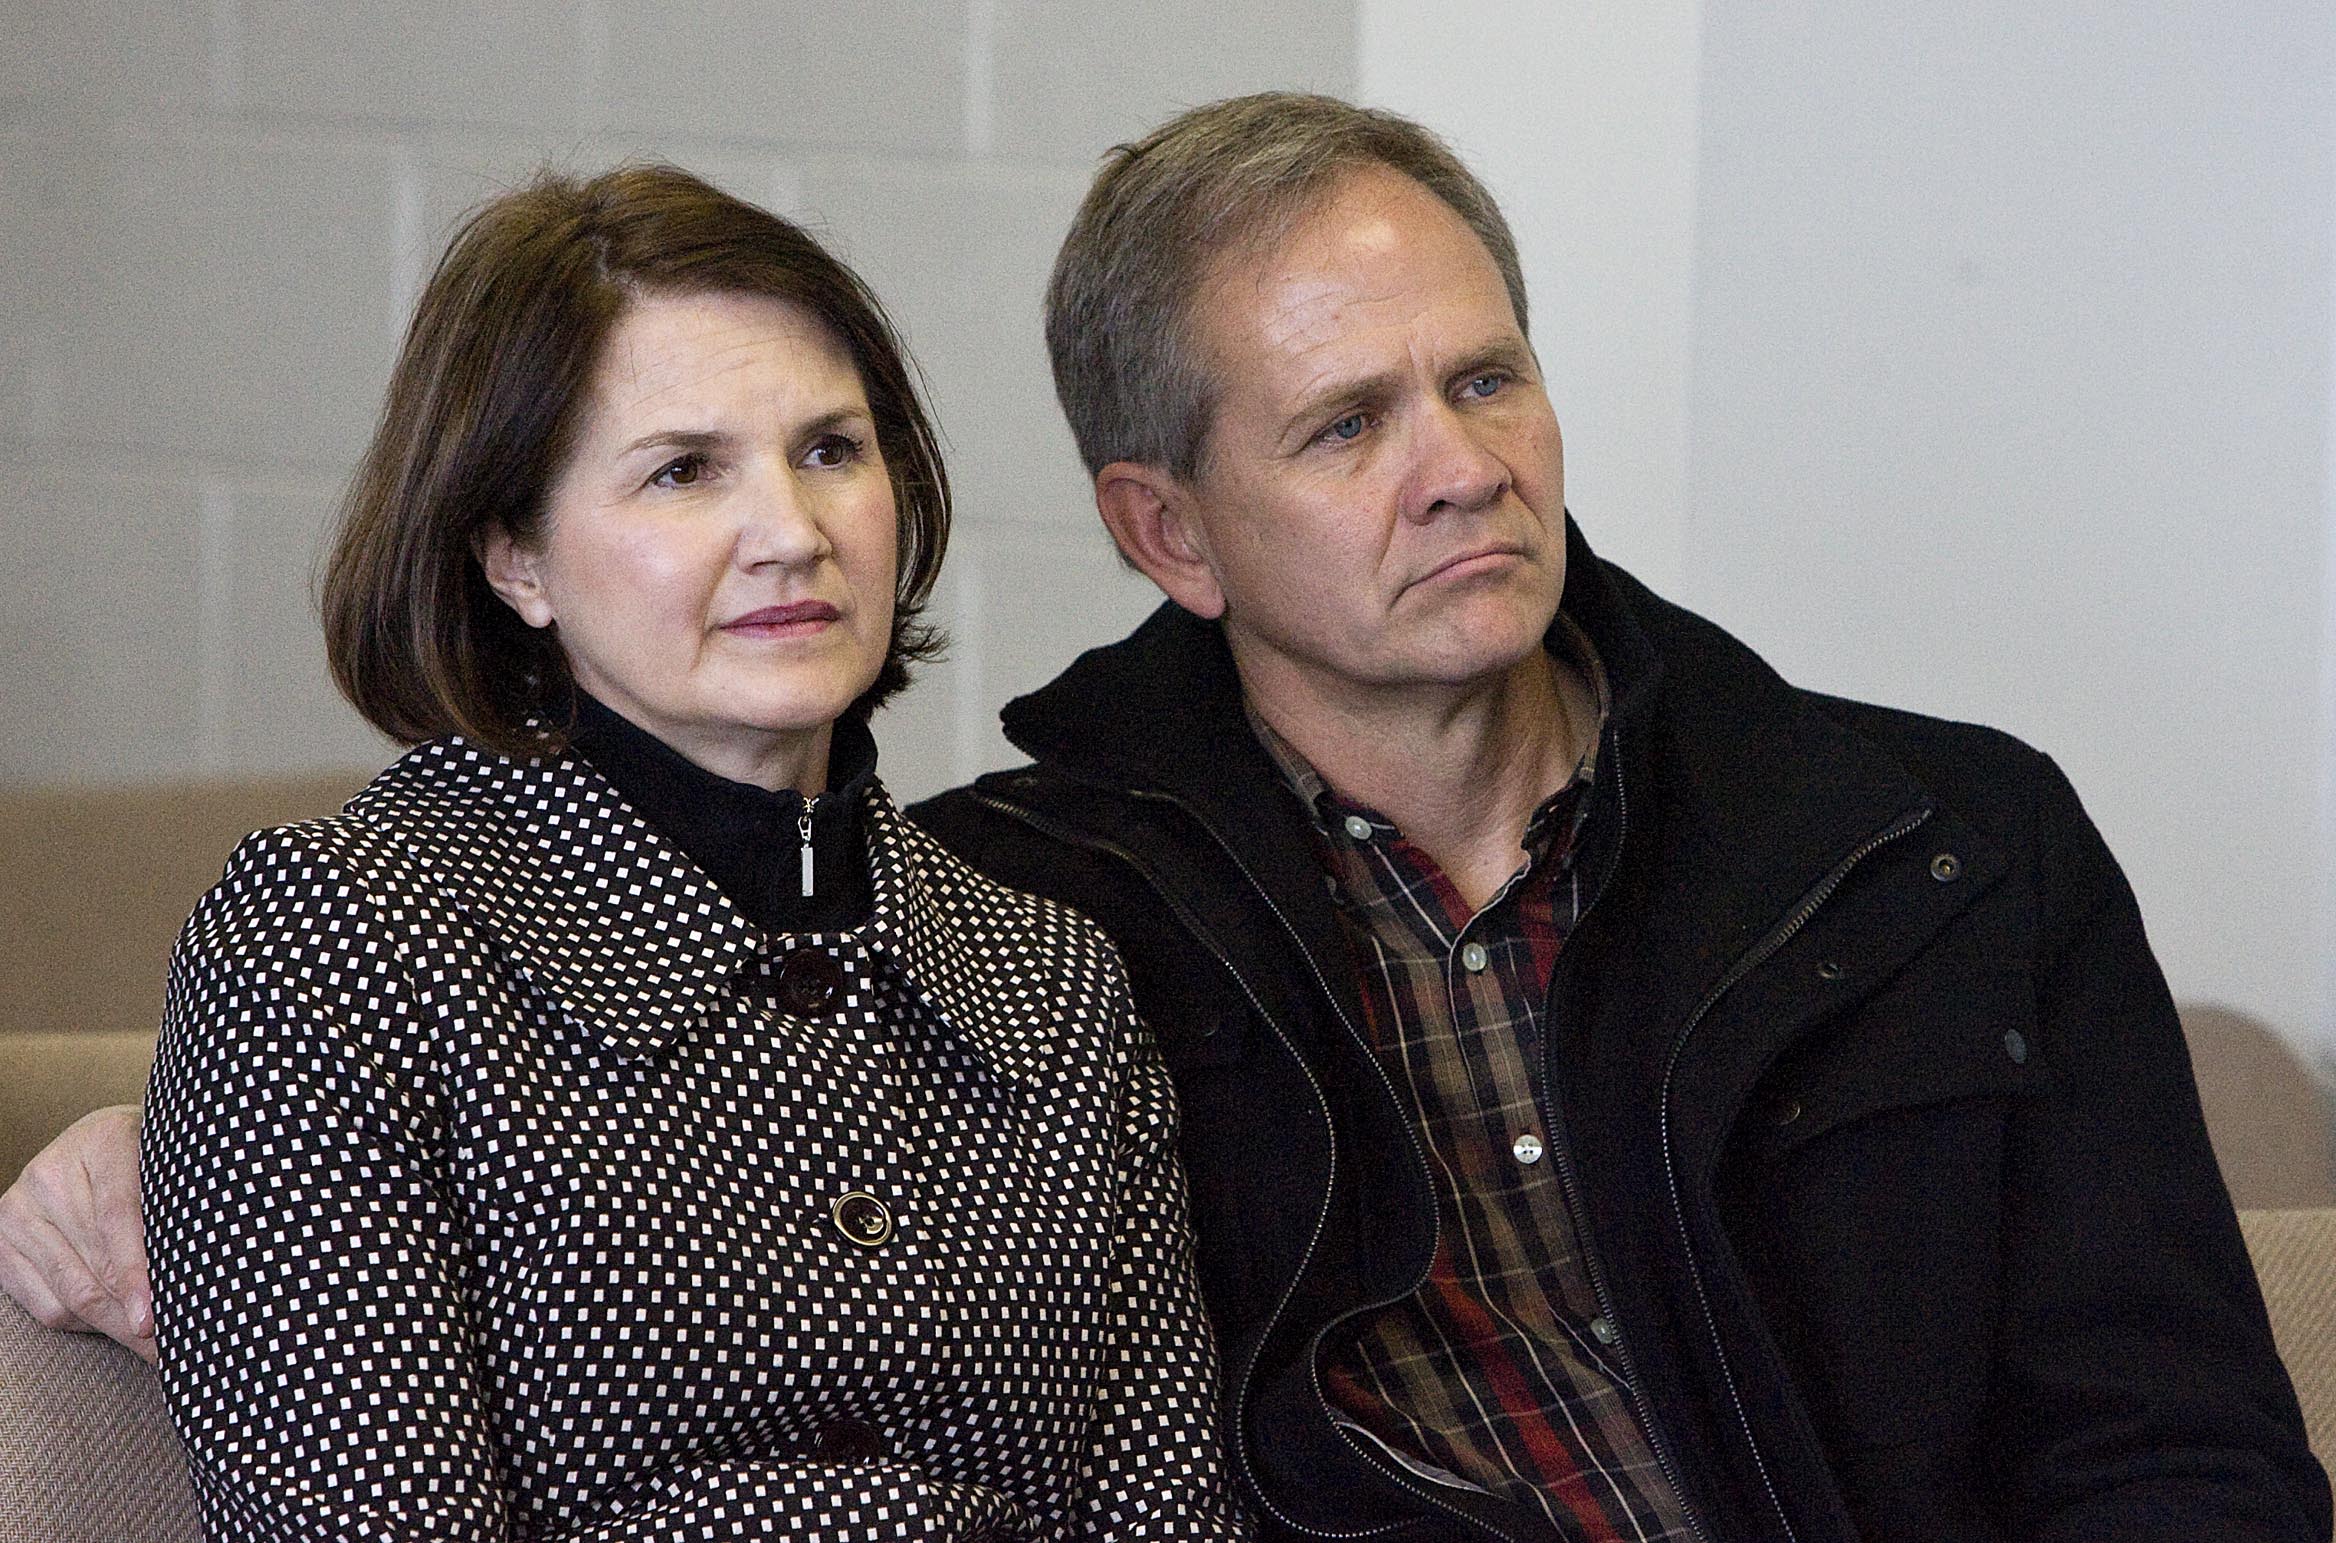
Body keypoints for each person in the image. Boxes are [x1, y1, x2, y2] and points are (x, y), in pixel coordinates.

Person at [6, 93, 2326, 1543]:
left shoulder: (1928, 846)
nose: (1458, 464)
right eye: (1340, 425)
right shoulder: (1072, 882)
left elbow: (2176, 1449)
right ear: (1167, 528)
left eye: (1487, 374)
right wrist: (163, 1141)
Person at [7, 163, 1246, 1542]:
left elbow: (1173, 1521)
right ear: (515, 558)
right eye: (682, 471)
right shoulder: (338, 938)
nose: (791, 533)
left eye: (832, 450)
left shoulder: (1053, 979)